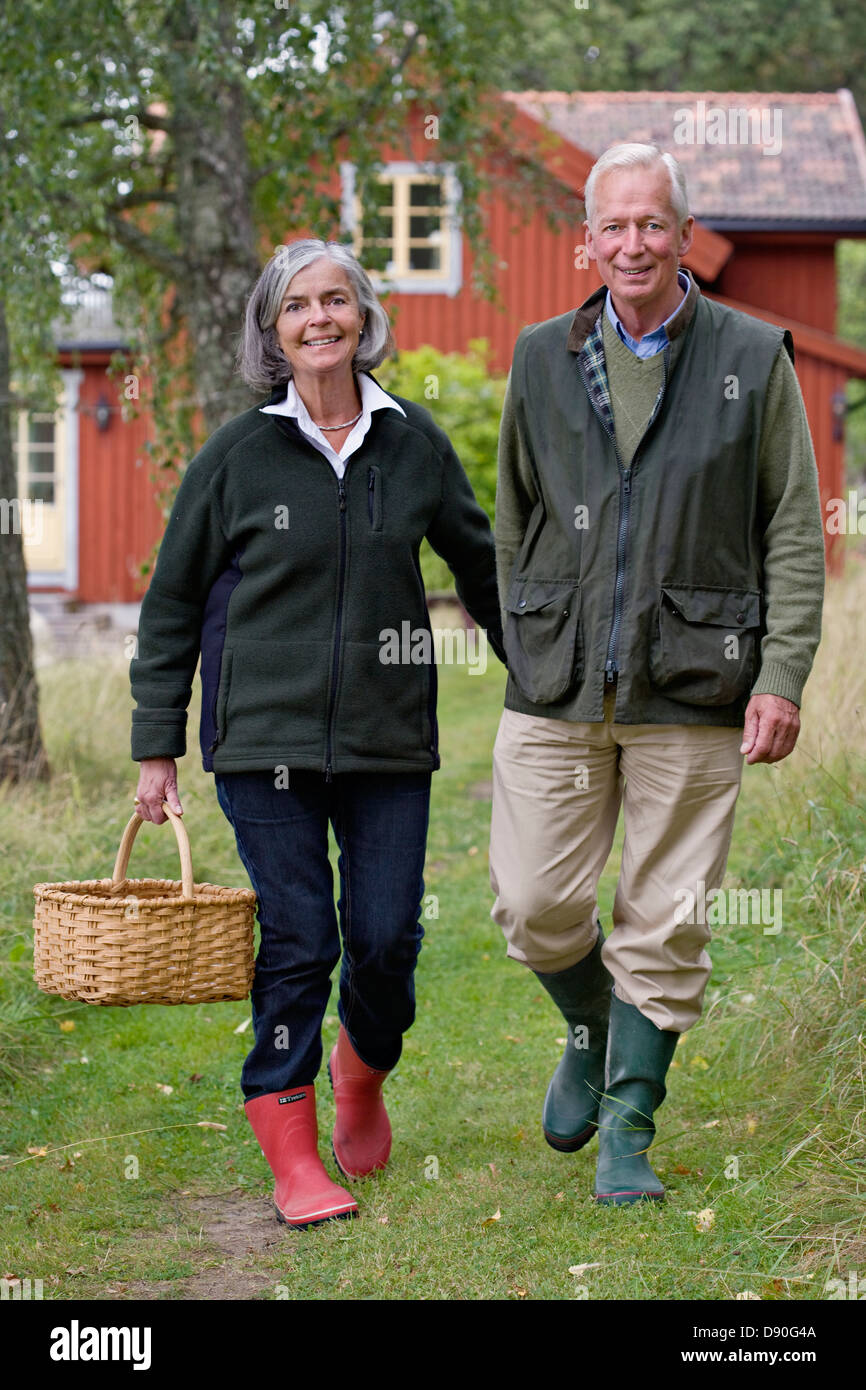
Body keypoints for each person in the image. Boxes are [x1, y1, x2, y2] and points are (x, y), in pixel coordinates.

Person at [130, 239, 504, 1228]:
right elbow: (170, 602)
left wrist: (547, 680)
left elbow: (480, 567)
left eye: (335, 300)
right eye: (297, 306)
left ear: (363, 315)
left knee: (384, 941)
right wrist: (153, 743)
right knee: (299, 940)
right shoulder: (237, 454)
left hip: (387, 739)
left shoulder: (410, 439)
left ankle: (360, 1070)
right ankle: (292, 1155)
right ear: (273, 330)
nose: (319, 319)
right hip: (261, 740)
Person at [490, 143, 825, 1205]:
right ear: (583, 242)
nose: (631, 244)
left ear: (684, 238)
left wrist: (780, 672)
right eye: (612, 227)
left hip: (694, 672)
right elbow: (512, 519)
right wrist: (527, 630)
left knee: (665, 913)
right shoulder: (539, 355)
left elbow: (788, 529)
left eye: (652, 224)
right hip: (556, 680)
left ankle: (627, 1125)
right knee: (533, 900)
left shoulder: (749, 354)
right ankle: (592, 1028)